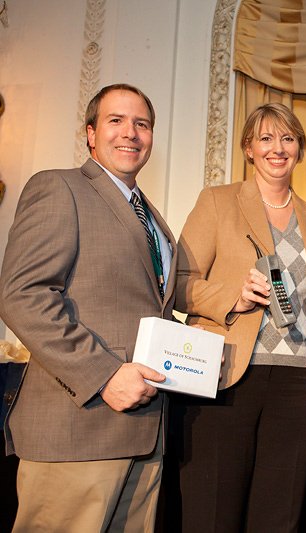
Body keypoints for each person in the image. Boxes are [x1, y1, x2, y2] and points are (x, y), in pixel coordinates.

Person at [174, 102, 306, 532]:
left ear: (300, 149)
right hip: (226, 375)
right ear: (248, 148)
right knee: (212, 512)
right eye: (266, 138)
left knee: (279, 517)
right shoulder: (217, 201)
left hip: (300, 383)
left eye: (288, 139)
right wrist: (233, 298)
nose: (278, 148)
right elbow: (179, 283)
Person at [0, 83, 175, 531]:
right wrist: (105, 376)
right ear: (91, 133)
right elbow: (23, 295)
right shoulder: (59, 186)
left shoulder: (151, 216)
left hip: (144, 432)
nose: (131, 133)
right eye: (116, 120)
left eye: (142, 124)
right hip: (78, 429)